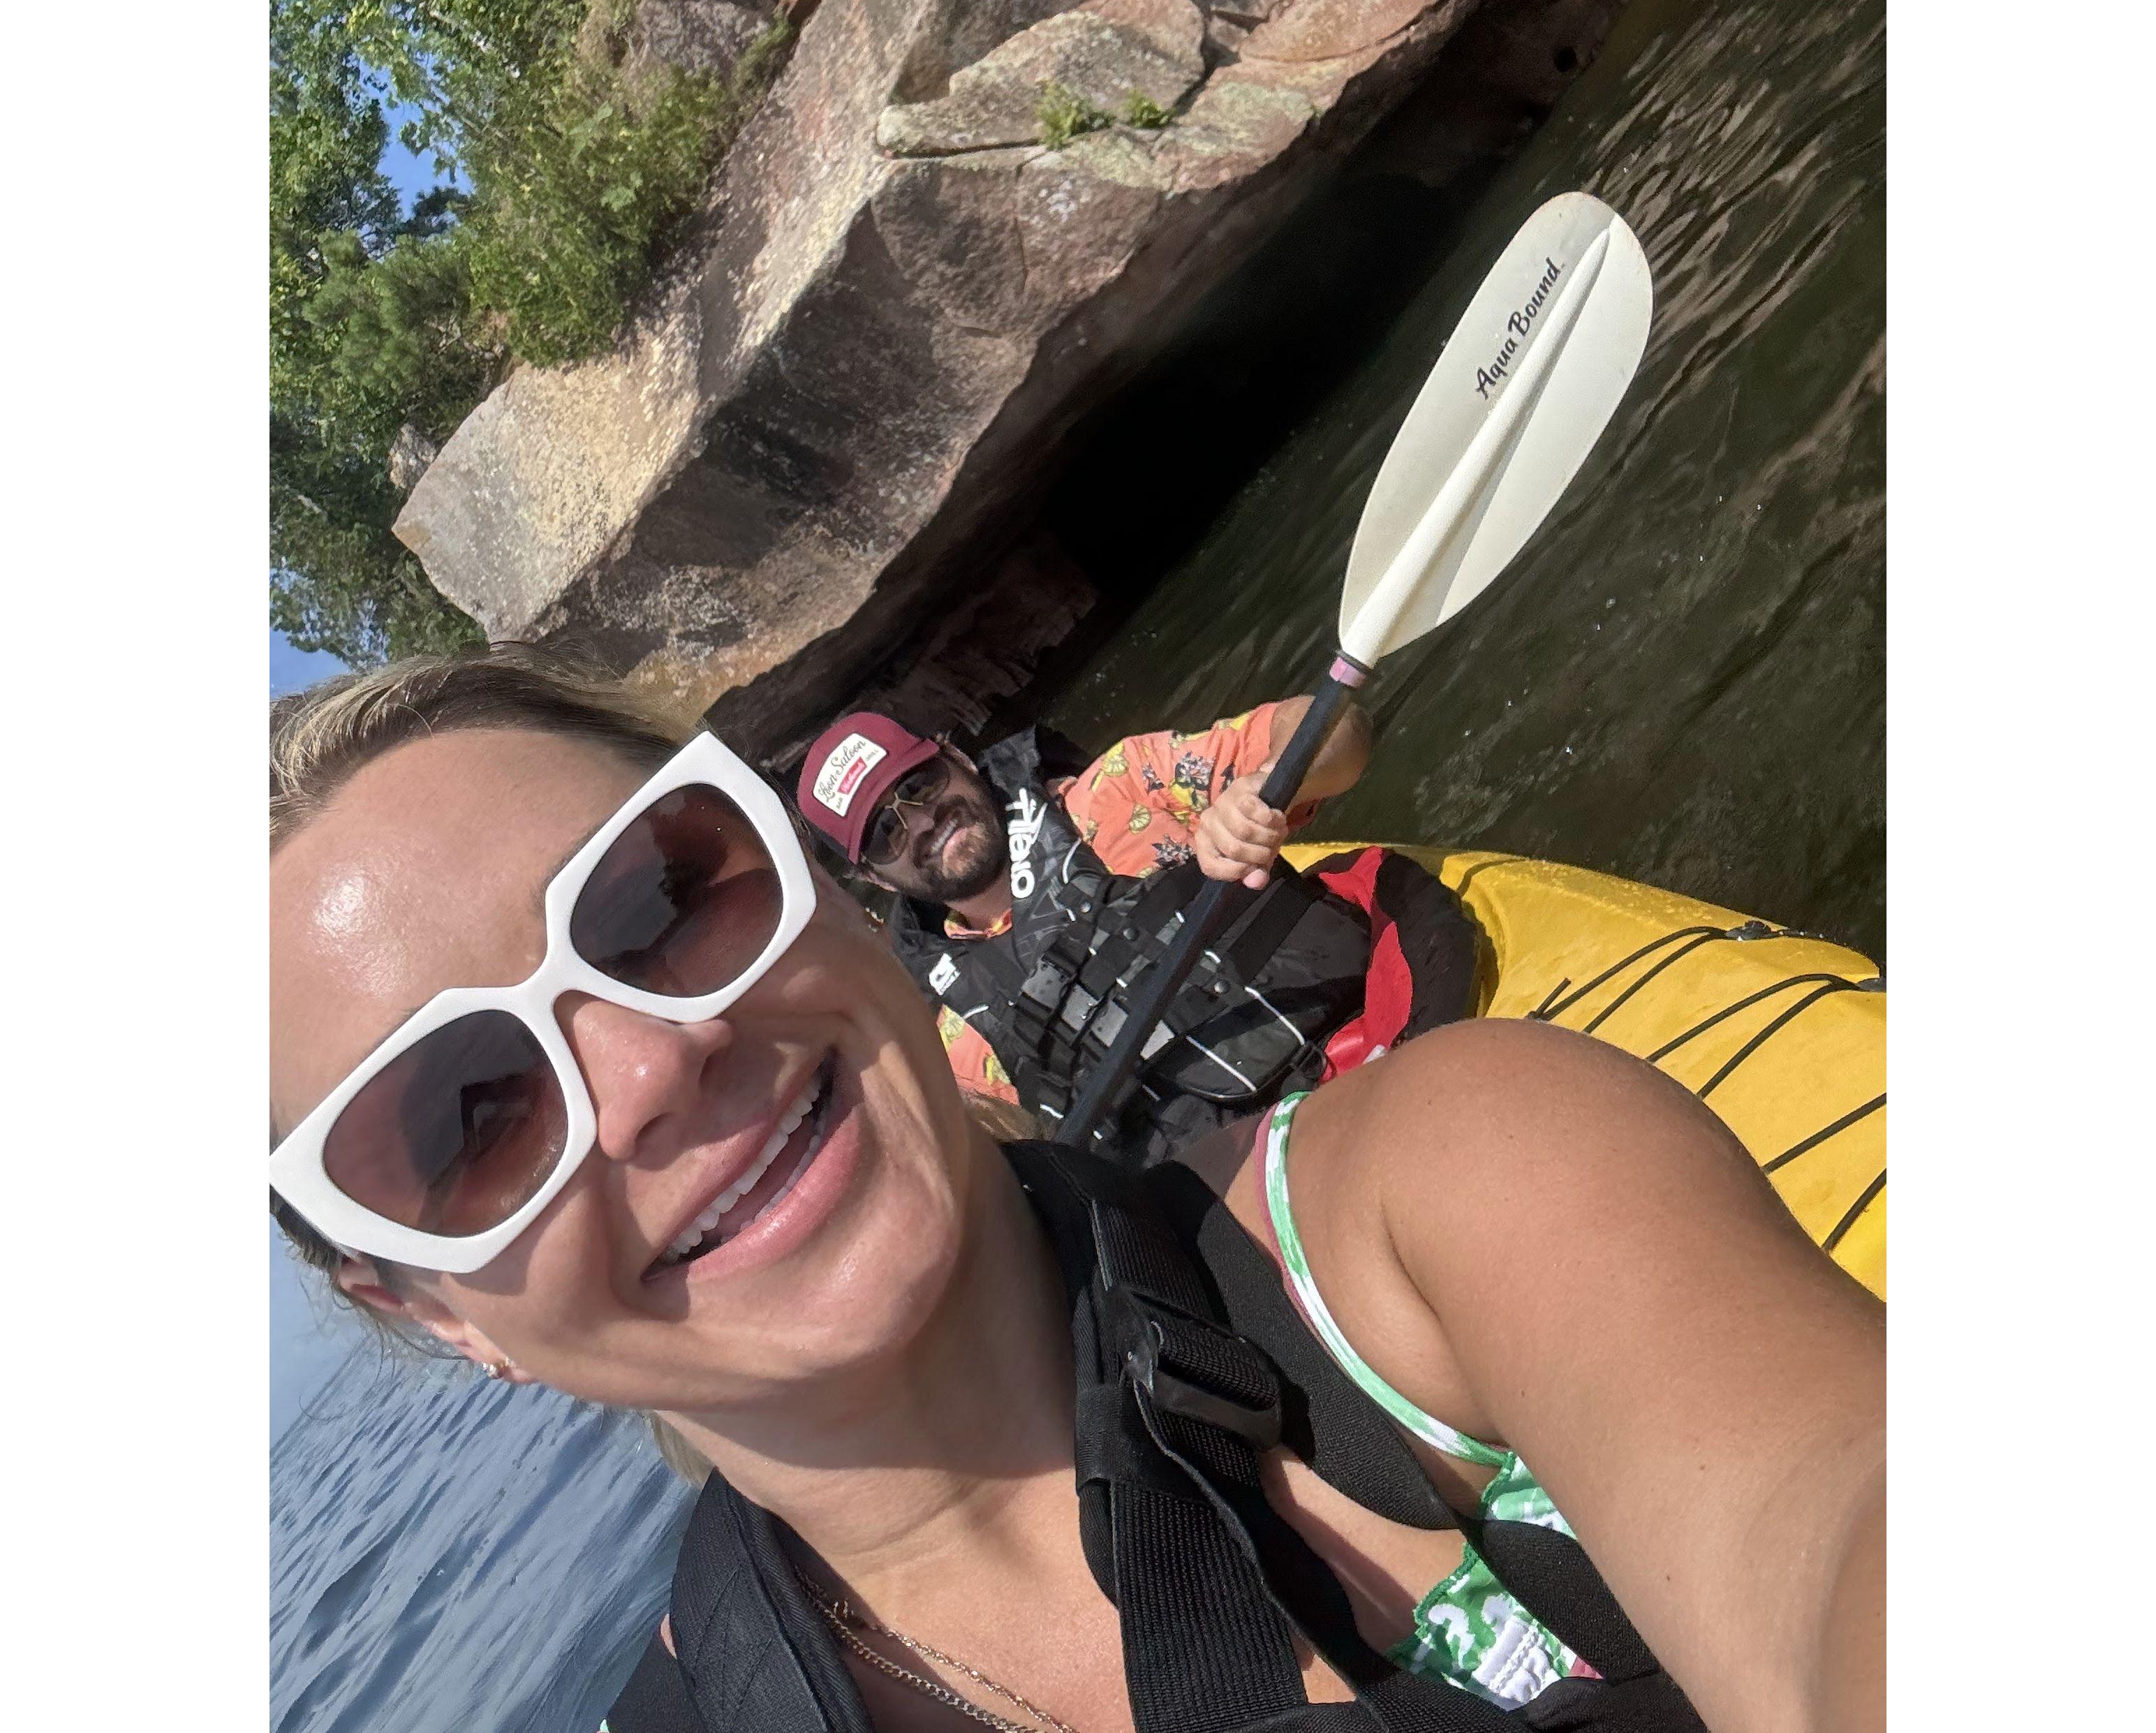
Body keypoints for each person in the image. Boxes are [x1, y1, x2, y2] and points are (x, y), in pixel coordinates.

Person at [269, 648, 1882, 1733]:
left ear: (805, 881)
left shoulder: (1452, 1179)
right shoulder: (963, 1046)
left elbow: (1838, 1537)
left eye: (653, 897)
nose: (651, 1070)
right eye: (460, 1111)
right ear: (415, 1299)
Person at [792, 700, 1475, 1158]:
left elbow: (1339, 730)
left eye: (918, 784)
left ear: (957, 758)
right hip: (1266, 1174)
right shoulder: (958, 1042)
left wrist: (1262, 788)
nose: (921, 820)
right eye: (884, 832)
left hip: (1388, 1036)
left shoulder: (1119, 788)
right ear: (876, 879)